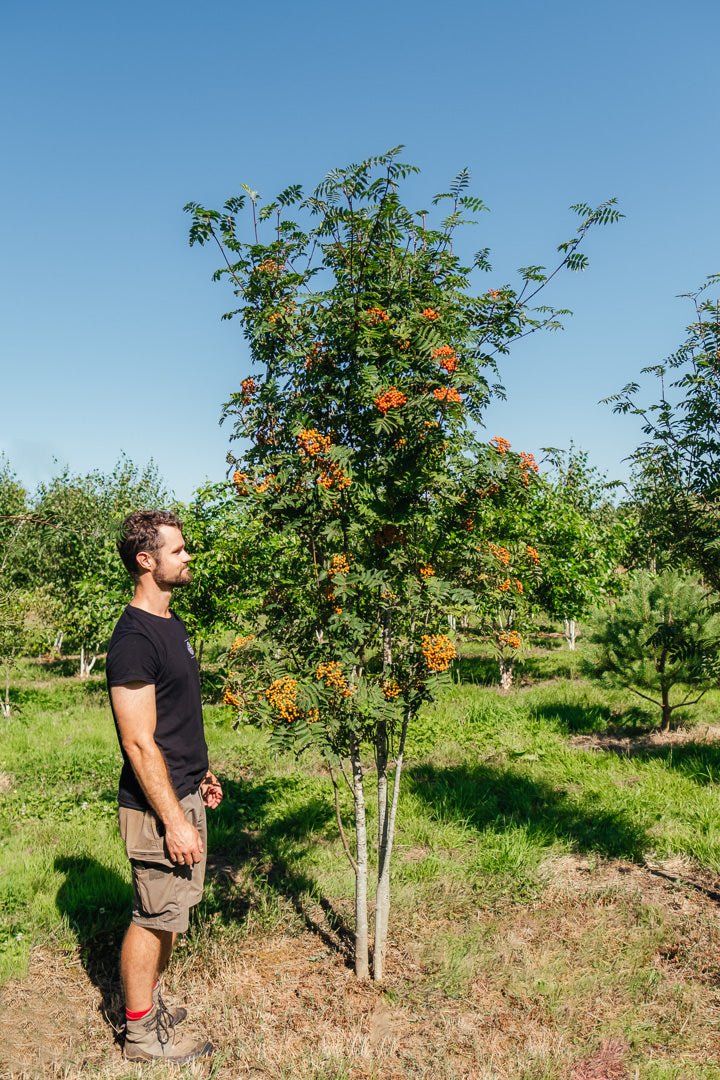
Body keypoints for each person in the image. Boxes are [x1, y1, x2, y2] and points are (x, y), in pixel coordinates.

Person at [106, 510, 222, 1063]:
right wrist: (173, 819)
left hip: (183, 790)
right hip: (158, 807)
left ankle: (148, 1006)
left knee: (172, 913)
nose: (188, 556)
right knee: (152, 918)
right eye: (177, 550)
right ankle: (140, 1036)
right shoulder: (133, 640)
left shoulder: (171, 624)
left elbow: (176, 719)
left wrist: (201, 774)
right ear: (146, 561)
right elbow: (138, 743)